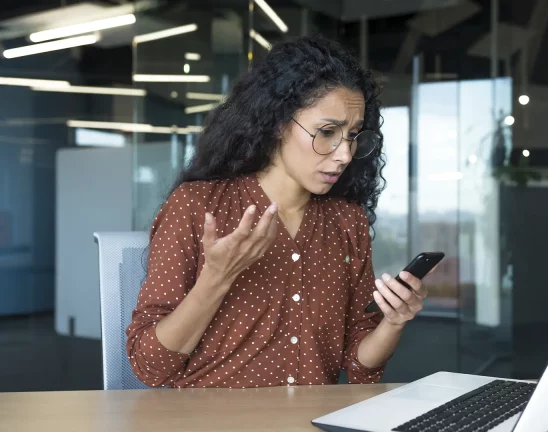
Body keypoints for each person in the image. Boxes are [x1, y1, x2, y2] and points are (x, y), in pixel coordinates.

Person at [125, 35, 429, 389]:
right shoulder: (197, 206)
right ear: (278, 122)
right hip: (209, 415)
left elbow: (360, 366)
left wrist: (393, 321)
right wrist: (216, 279)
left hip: (314, 415)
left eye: (352, 135)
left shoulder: (347, 221)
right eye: (327, 132)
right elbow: (150, 367)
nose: (344, 154)